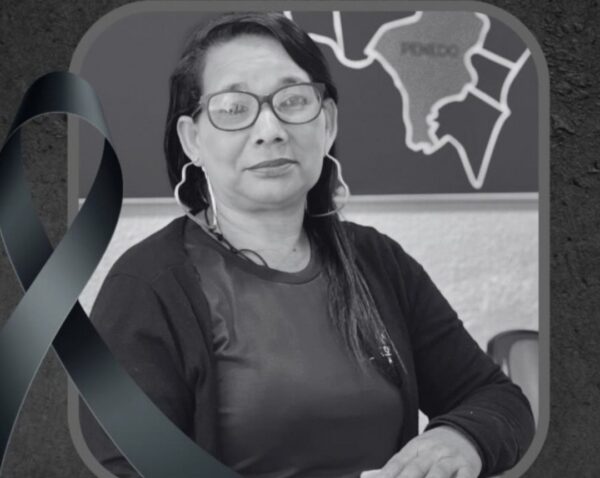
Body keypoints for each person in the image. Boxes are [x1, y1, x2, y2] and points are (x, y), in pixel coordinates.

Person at [80, 12, 535, 478]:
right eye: (234, 108)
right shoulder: (148, 286)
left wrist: (460, 439)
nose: (270, 130)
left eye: (293, 100)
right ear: (192, 139)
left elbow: (497, 399)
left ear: (327, 123)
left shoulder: (377, 261)